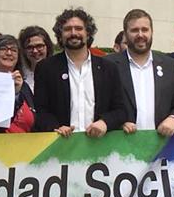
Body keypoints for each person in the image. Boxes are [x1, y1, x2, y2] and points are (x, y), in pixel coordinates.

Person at [32, 8, 126, 136]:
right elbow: (41, 110)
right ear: (60, 35)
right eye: (67, 29)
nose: (73, 33)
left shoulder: (108, 68)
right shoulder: (46, 68)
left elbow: (120, 110)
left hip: (98, 145)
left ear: (88, 33)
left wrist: (105, 122)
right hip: (61, 145)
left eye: (79, 28)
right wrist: (55, 127)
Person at [105, 9, 174, 137]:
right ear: (125, 34)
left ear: (152, 32)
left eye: (145, 30)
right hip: (121, 147)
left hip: (160, 147)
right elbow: (101, 107)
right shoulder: (108, 65)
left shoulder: (169, 65)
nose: (140, 35)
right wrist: (117, 123)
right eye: (134, 30)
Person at [0, 34, 35, 133]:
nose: (9, 53)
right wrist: (15, 96)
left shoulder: (23, 86)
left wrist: (18, 92)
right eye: (3, 49)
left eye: (14, 50)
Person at [18, 25, 54, 91]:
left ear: (48, 47)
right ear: (24, 51)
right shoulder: (20, 76)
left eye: (39, 46)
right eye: (30, 47)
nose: (35, 51)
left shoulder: (58, 73)